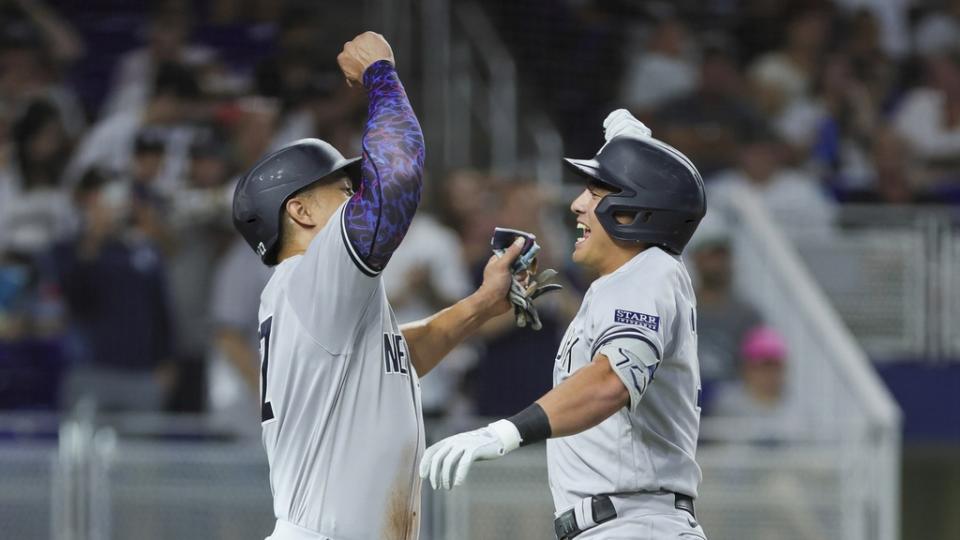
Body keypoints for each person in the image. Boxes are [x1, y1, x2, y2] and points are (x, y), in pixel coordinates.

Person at [232, 32, 527, 540]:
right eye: (342, 187)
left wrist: (479, 305)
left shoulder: (313, 297)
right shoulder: (311, 273)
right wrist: (381, 75)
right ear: (298, 212)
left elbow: (395, 359)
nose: (355, 194)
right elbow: (396, 181)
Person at [420, 110, 709, 540]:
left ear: (634, 211)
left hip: (634, 524)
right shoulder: (630, 279)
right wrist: (628, 148)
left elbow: (611, 381)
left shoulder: (650, 272)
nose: (576, 204)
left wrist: (505, 431)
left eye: (596, 191)